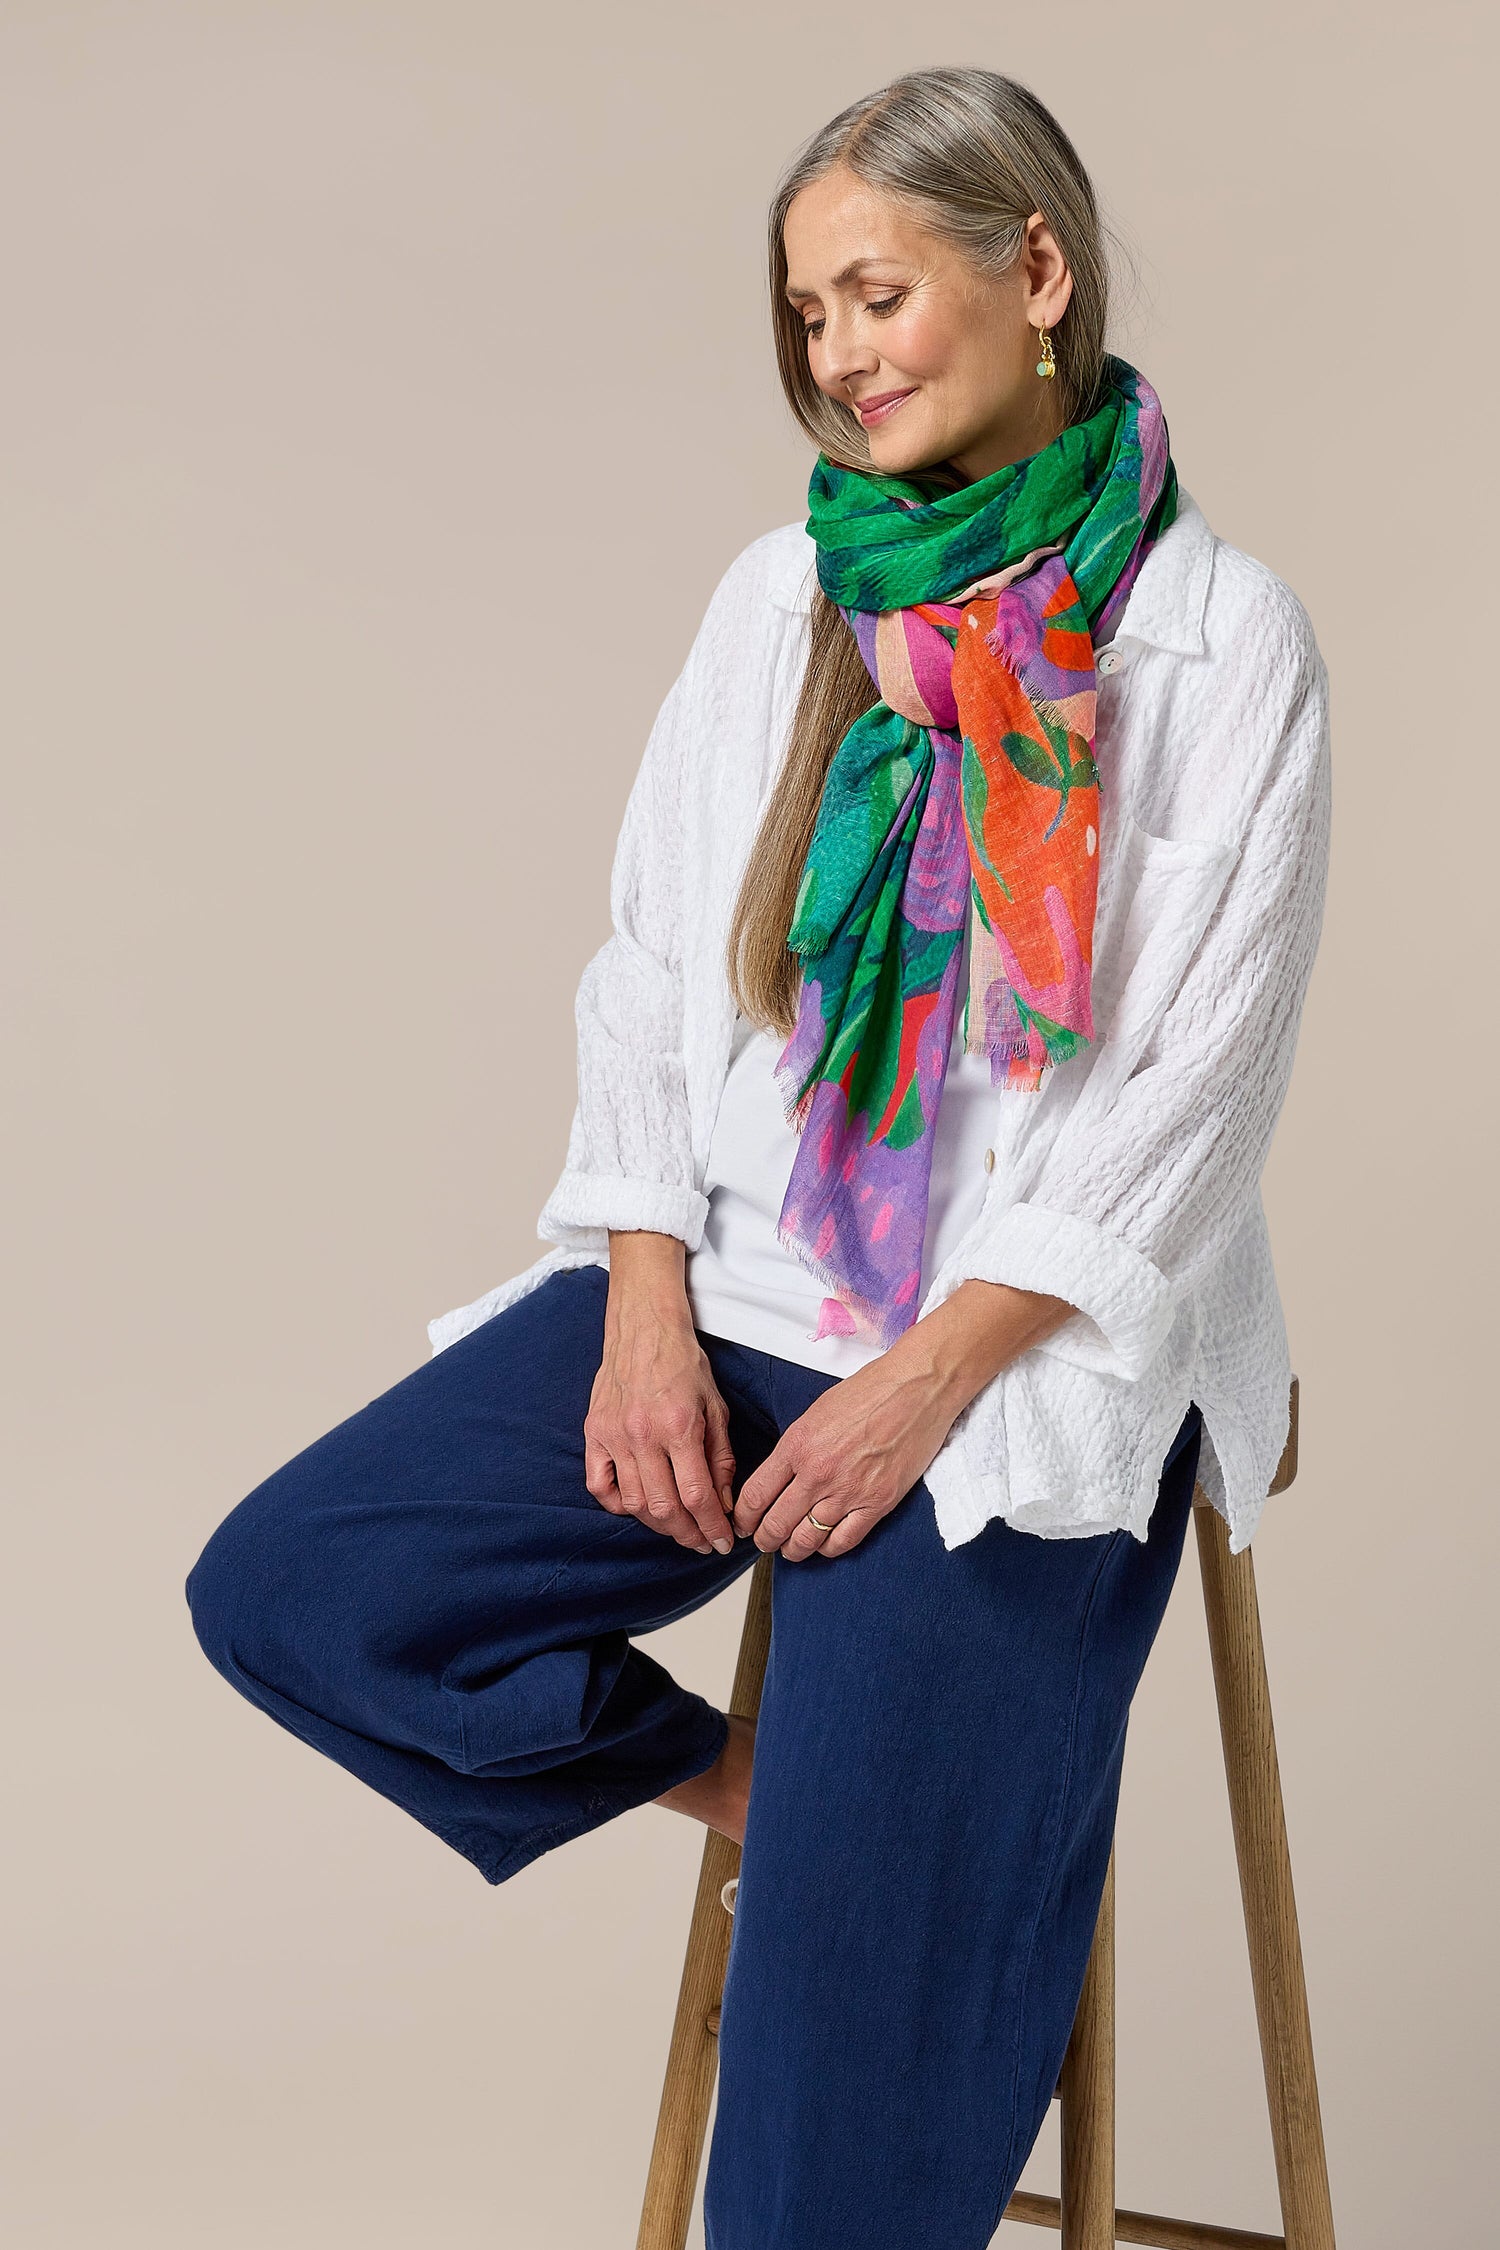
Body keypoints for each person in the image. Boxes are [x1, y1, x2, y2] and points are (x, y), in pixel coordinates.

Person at [186, 65, 1331, 2250]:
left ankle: (862, 1898)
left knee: (828, 2135)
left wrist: (923, 1389)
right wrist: (632, 1305)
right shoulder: (776, 603)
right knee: (303, 1588)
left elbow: (1201, 1089)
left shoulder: (1221, 635)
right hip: (739, 1288)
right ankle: (783, 1813)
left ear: (1040, 273)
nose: (842, 352)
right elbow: (650, 979)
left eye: (878, 292)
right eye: (810, 315)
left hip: (1016, 1369)